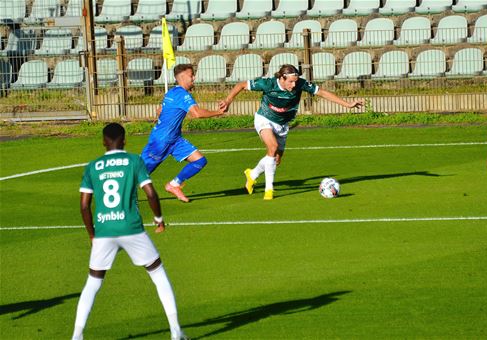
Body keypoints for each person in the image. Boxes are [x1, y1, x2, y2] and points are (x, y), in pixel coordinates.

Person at [72, 123, 187, 340]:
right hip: (132, 229)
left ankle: (76, 336)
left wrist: (91, 234)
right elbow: (151, 194)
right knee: (158, 274)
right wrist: (159, 219)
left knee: (93, 283)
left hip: (104, 231)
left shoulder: (93, 166)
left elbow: (85, 206)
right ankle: (175, 332)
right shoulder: (134, 161)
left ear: (104, 142)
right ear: (124, 140)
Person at [220, 64, 364, 200]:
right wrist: (228, 101)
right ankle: (269, 190)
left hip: (283, 125)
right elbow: (242, 85)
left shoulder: (300, 84)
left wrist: (347, 104)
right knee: (273, 147)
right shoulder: (268, 84)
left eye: (295, 82)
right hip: (264, 118)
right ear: (282, 78)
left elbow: (321, 92)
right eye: (290, 82)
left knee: (276, 160)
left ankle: (252, 174)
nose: (294, 85)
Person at [141, 63, 225, 203]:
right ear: (182, 76)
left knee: (199, 160)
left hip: (174, 139)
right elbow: (196, 114)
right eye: (191, 75)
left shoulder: (172, 92)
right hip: (161, 141)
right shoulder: (181, 94)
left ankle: (174, 185)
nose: (194, 78)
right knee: (140, 174)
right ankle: (119, 192)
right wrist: (218, 112)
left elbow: (161, 111)